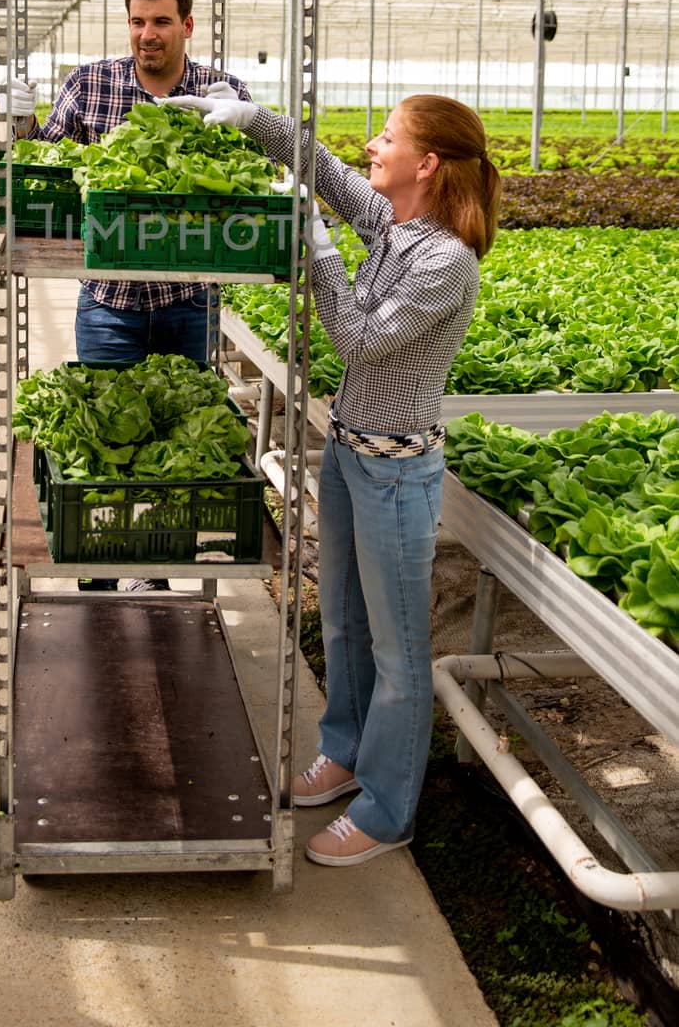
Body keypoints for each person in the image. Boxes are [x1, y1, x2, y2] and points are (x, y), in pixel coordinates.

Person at [163, 88, 501, 866]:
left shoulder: (443, 260)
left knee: (398, 650)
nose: (371, 148)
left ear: (426, 163)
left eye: (386, 138)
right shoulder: (396, 224)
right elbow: (323, 167)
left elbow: (353, 339)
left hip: (396, 475)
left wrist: (314, 246)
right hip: (350, 454)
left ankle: (387, 811)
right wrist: (255, 120)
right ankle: (345, 752)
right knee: (344, 622)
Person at [3, 0, 254, 589]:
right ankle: (101, 571)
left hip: (187, 301)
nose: (148, 34)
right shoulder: (91, 85)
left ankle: (157, 568)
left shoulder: (219, 90)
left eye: (162, 21)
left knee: (174, 444)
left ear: (187, 26)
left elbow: (254, 171)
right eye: (138, 21)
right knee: (104, 438)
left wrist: (251, 127)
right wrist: (21, 125)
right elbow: (49, 161)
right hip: (109, 300)